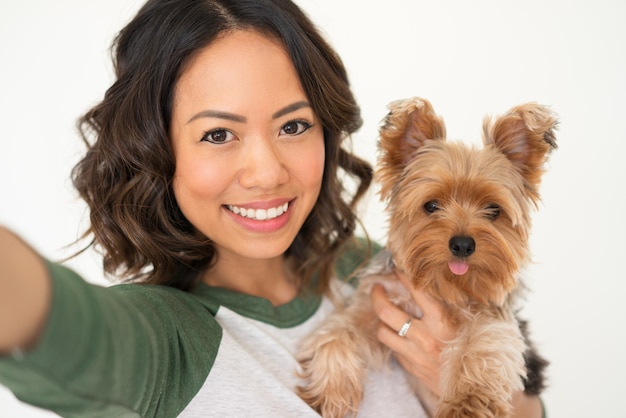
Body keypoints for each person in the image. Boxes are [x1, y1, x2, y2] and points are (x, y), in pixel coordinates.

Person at [0, 0, 544, 416]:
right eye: (218, 133)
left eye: (292, 126)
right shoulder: (169, 339)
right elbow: (67, 327)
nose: (265, 172)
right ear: (156, 150)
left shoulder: (384, 269)